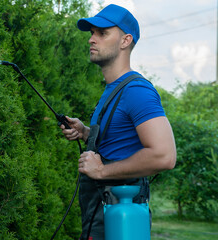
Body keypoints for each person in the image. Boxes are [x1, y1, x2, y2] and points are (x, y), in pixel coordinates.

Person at [60, 4, 176, 240]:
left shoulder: (136, 91)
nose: (92, 39)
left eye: (102, 33)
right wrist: (85, 132)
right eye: (92, 33)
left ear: (125, 41)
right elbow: (120, 141)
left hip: (121, 221)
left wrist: (102, 171)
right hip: (101, 216)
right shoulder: (113, 90)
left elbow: (164, 156)